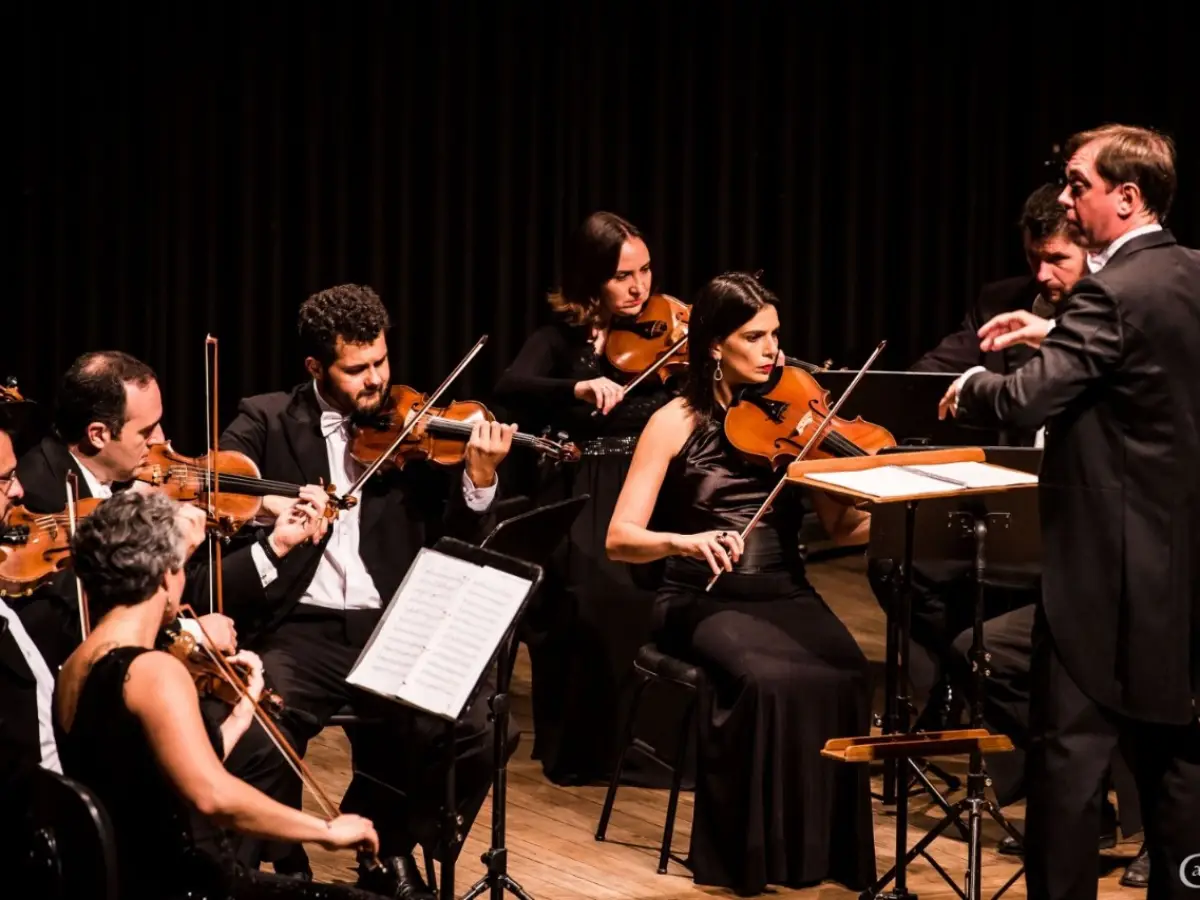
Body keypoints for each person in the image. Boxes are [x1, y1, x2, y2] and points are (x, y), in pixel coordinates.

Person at [939, 123, 1200, 900]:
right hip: (1181, 569)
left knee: (1070, 762)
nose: (1064, 195)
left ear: (1126, 196)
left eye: (1077, 183)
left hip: (1104, 576)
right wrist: (1057, 330)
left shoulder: (1109, 292)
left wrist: (974, 386)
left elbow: (1026, 396)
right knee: (1179, 759)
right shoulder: (1189, 274)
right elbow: (1149, 363)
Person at [216, 284, 516, 897]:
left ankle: (389, 840)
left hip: (395, 625)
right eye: (357, 370)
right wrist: (275, 508)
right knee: (258, 724)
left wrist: (480, 480)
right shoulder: (265, 417)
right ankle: (270, 866)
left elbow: (461, 542)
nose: (376, 380)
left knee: (481, 726)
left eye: (381, 361)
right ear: (315, 368)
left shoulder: (417, 431)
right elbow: (221, 487)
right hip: (301, 629)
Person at [606, 272, 876, 895]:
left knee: (849, 674)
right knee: (765, 680)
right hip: (699, 595)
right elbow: (619, 536)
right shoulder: (675, 419)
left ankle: (820, 857)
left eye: (776, 336)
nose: (771, 351)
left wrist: (882, 499)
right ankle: (749, 857)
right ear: (713, 347)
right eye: (753, 337)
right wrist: (684, 540)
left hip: (783, 585)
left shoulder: (797, 413)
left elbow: (840, 527)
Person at [51, 490, 386, 900]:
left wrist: (242, 715)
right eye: (182, 567)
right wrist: (326, 830)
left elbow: (156, 773)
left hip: (124, 879)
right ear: (164, 577)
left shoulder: (74, 664)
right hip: (180, 882)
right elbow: (213, 796)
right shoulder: (154, 671)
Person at [492, 210, 684, 787]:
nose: (639, 287)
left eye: (646, 271)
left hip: (650, 487)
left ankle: (656, 749)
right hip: (581, 489)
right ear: (590, 280)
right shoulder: (559, 341)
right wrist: (576, 386)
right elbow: (510, 387)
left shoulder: (667, 334)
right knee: (592, 597)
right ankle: (586, 750)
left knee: (661, 599)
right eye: (623, 275)